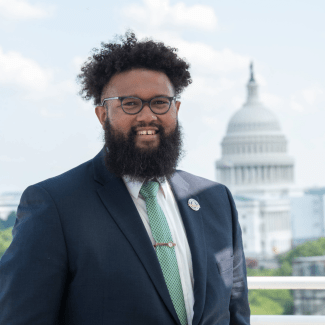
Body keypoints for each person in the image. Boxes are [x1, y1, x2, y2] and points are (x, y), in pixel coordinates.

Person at [0, 31, 250, 325]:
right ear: (102, 115)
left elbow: (235, 314)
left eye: (160, 102)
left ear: (176, 109)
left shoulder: (215, 199)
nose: (147, 116)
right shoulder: (55, 205)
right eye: (130, 104)